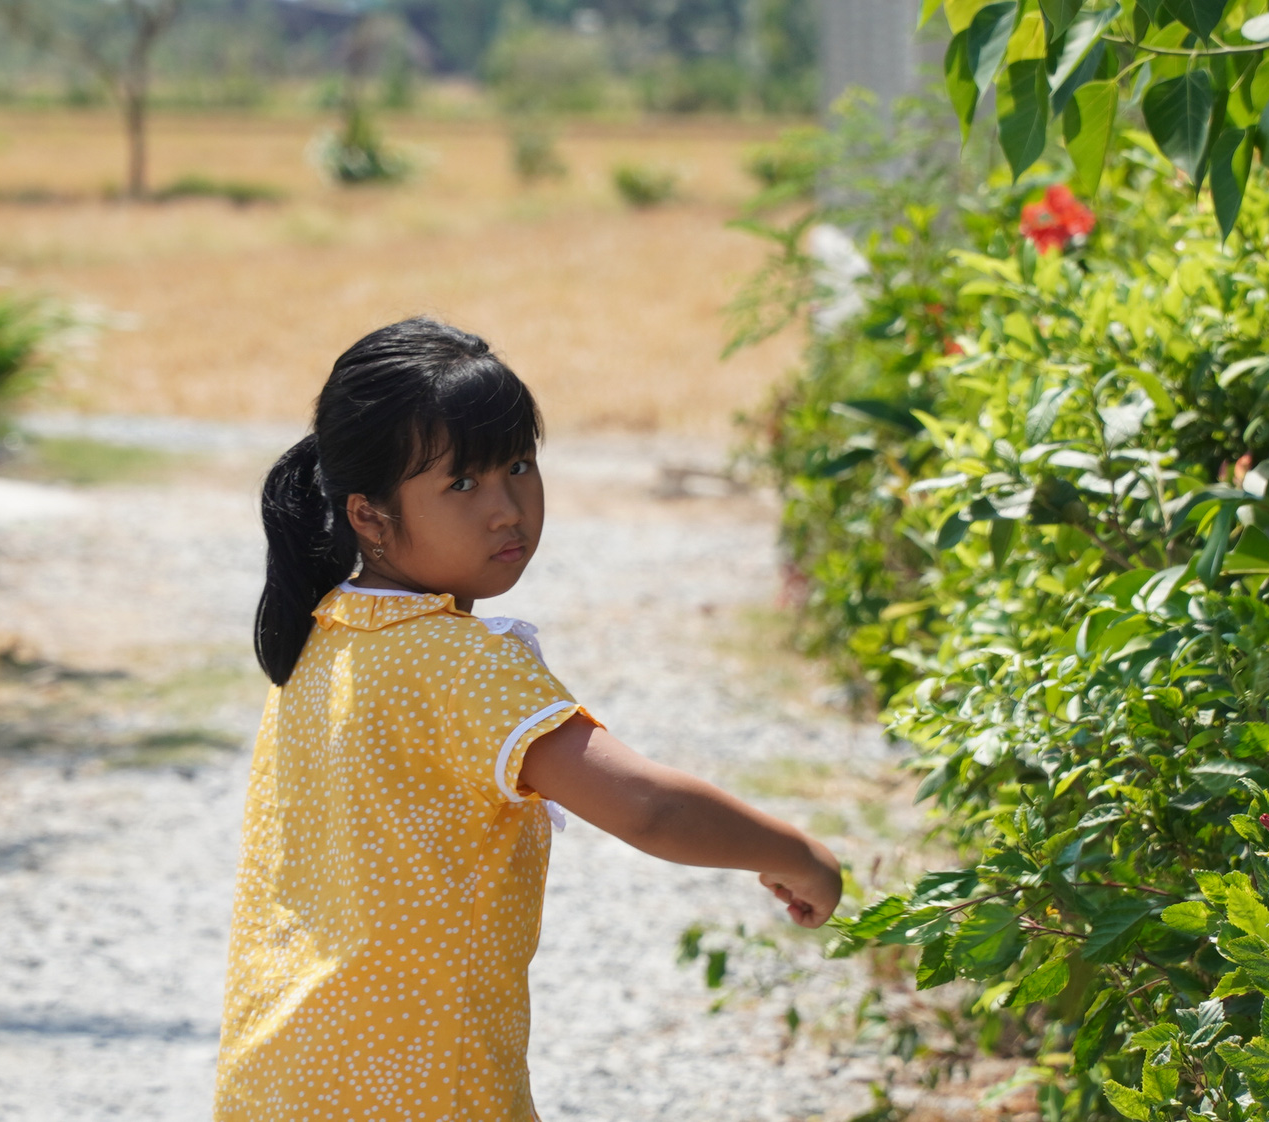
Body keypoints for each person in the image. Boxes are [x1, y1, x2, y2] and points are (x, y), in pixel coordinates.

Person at [215, 318, 844, 1121]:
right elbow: (648, 806)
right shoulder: (461, 663)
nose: (508, 508)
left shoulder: (324, 634)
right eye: (463, 486)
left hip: (280, 1073)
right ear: (369, 517)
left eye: (518, 466)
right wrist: (795, 851)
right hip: (418, 1084)